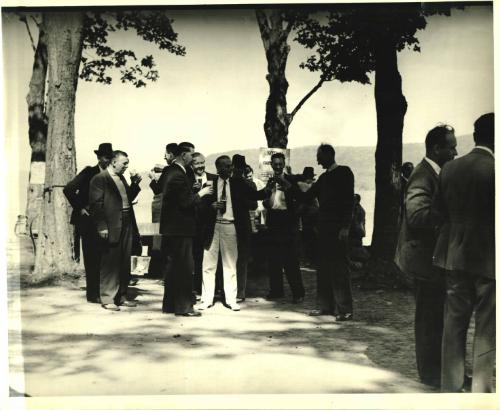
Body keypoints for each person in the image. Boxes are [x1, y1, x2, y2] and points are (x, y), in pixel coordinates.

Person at [433, 113, 495, 393]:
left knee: (454, 326)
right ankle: (481, 392)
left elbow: (439, 213)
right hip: (489, 261)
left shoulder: (449, 169)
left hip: (455, 258)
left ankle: (450, 387)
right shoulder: (494, 169)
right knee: (486, 329)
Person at [394, 124, 458, 388]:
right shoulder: (423, 175)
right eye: (451, 146)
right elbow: (417, 215)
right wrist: (451, 215)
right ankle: (431, 375)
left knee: (434, 316)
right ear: (436, 149)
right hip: (423, 260)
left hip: (429, 259)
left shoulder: (433, 173)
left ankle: (437, 371)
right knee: (429, 319)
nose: (455, 151)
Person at [286, 144, 354, 321]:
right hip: (323, 231)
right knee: (323, 268)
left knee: (339, 269)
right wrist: (288, 185)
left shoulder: (345, 173)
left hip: (338, 230)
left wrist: (346, 227)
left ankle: (345, 309)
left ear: (328, 155)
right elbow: (305, 197)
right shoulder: (323, 178)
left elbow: (348, 202)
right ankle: (326, 307)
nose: (317, 160)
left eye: (319, 156)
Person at [197, 155, 270, 311]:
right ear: (218, 168)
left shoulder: (238, 183)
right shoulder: (210, 183)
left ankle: (231, 299)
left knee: (230, 265)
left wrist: (271, 186)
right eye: (226, 166)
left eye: (230, 165)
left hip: (231, 226)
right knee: (208, 265)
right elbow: (200, 206)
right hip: (213, 227)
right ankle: (206, 299)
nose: (230, 168)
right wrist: (211, 206)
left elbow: (256, 196)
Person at [159, 142, 213, 317]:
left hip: (170, 229)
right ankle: (183, 307)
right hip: (181, 229)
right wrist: (201, 193)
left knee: (173, 268)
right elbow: (185, 203)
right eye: (192, 154)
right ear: (184, 155)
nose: (193, 157)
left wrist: (191, 191)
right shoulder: (178, 175)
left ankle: (169, 305)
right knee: (184, 268)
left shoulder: (169, 171)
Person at [89, 150, 142, 311]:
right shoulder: (99, 179)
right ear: (113, 162)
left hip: (126, 223)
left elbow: (128, 199)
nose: (127, 166)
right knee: (110, 262)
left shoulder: (121, 178)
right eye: (124, 163)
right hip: (110, 225)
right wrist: (102, 226)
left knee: (125, 260)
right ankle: (108, 298)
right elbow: (96, 206)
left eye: (127, 163)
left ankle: (122, 296)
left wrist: (134, 184)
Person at [63, 142, 113, 303]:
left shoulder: (111, 175)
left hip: (105, 222)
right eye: (106, 157)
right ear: (98, 158)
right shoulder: (88, 172)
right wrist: (80, 208)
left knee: (103, 257)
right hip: (87, 222)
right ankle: (93, 294)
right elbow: (68, 189)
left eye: (110, 158)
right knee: (91, 258)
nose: (108, 161)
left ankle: (104, 290)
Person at [263, 153, 305, 304]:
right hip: (273, 220)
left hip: (288, 223)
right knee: (274, 259)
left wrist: (287, 186)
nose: (278, 167)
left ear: (284, 164)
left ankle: (298, 293)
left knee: (291, 260)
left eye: (280, 164)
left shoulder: (292, 180)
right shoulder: (270, 181)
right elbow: (266, 202)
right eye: (276, 164)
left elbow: (301, 199)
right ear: (272, 165)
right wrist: (267, 198)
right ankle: (276, 291)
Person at [147, 143, 178, 278]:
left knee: (160, 239)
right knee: (157, 238)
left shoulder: (170, 172)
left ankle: (159, 270)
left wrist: (154, 179)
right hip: (162, 213)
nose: (164, 156)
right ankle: (157, 269)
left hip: (166, 214)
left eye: (166, 154)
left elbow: (160, 190)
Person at [232, 154, 258, 302]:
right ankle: (239, 291)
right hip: (243, 223)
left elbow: (254, 204)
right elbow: (253, 204)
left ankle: (237, 290)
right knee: (241, 259)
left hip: (235, 223)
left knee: (236, 259)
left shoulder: (229, 183)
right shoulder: (248, 184)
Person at [191, 152, 217, 296]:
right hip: (194, 225)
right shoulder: (188, 180)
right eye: (197, 163)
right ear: (191, 164)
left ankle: (214, 288)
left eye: (202, 163)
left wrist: (215, 205)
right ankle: (196, 287)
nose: (200, 166)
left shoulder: (214, 178)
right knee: (196, 257)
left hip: (211, 224)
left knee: (212, 257)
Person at [296, 167, 319, 266]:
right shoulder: (313, 185)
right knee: (311, 238)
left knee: (307, 238)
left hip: (309, 216)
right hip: (313, 215)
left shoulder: (304, 185)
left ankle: (308, 259)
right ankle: (311, 259)